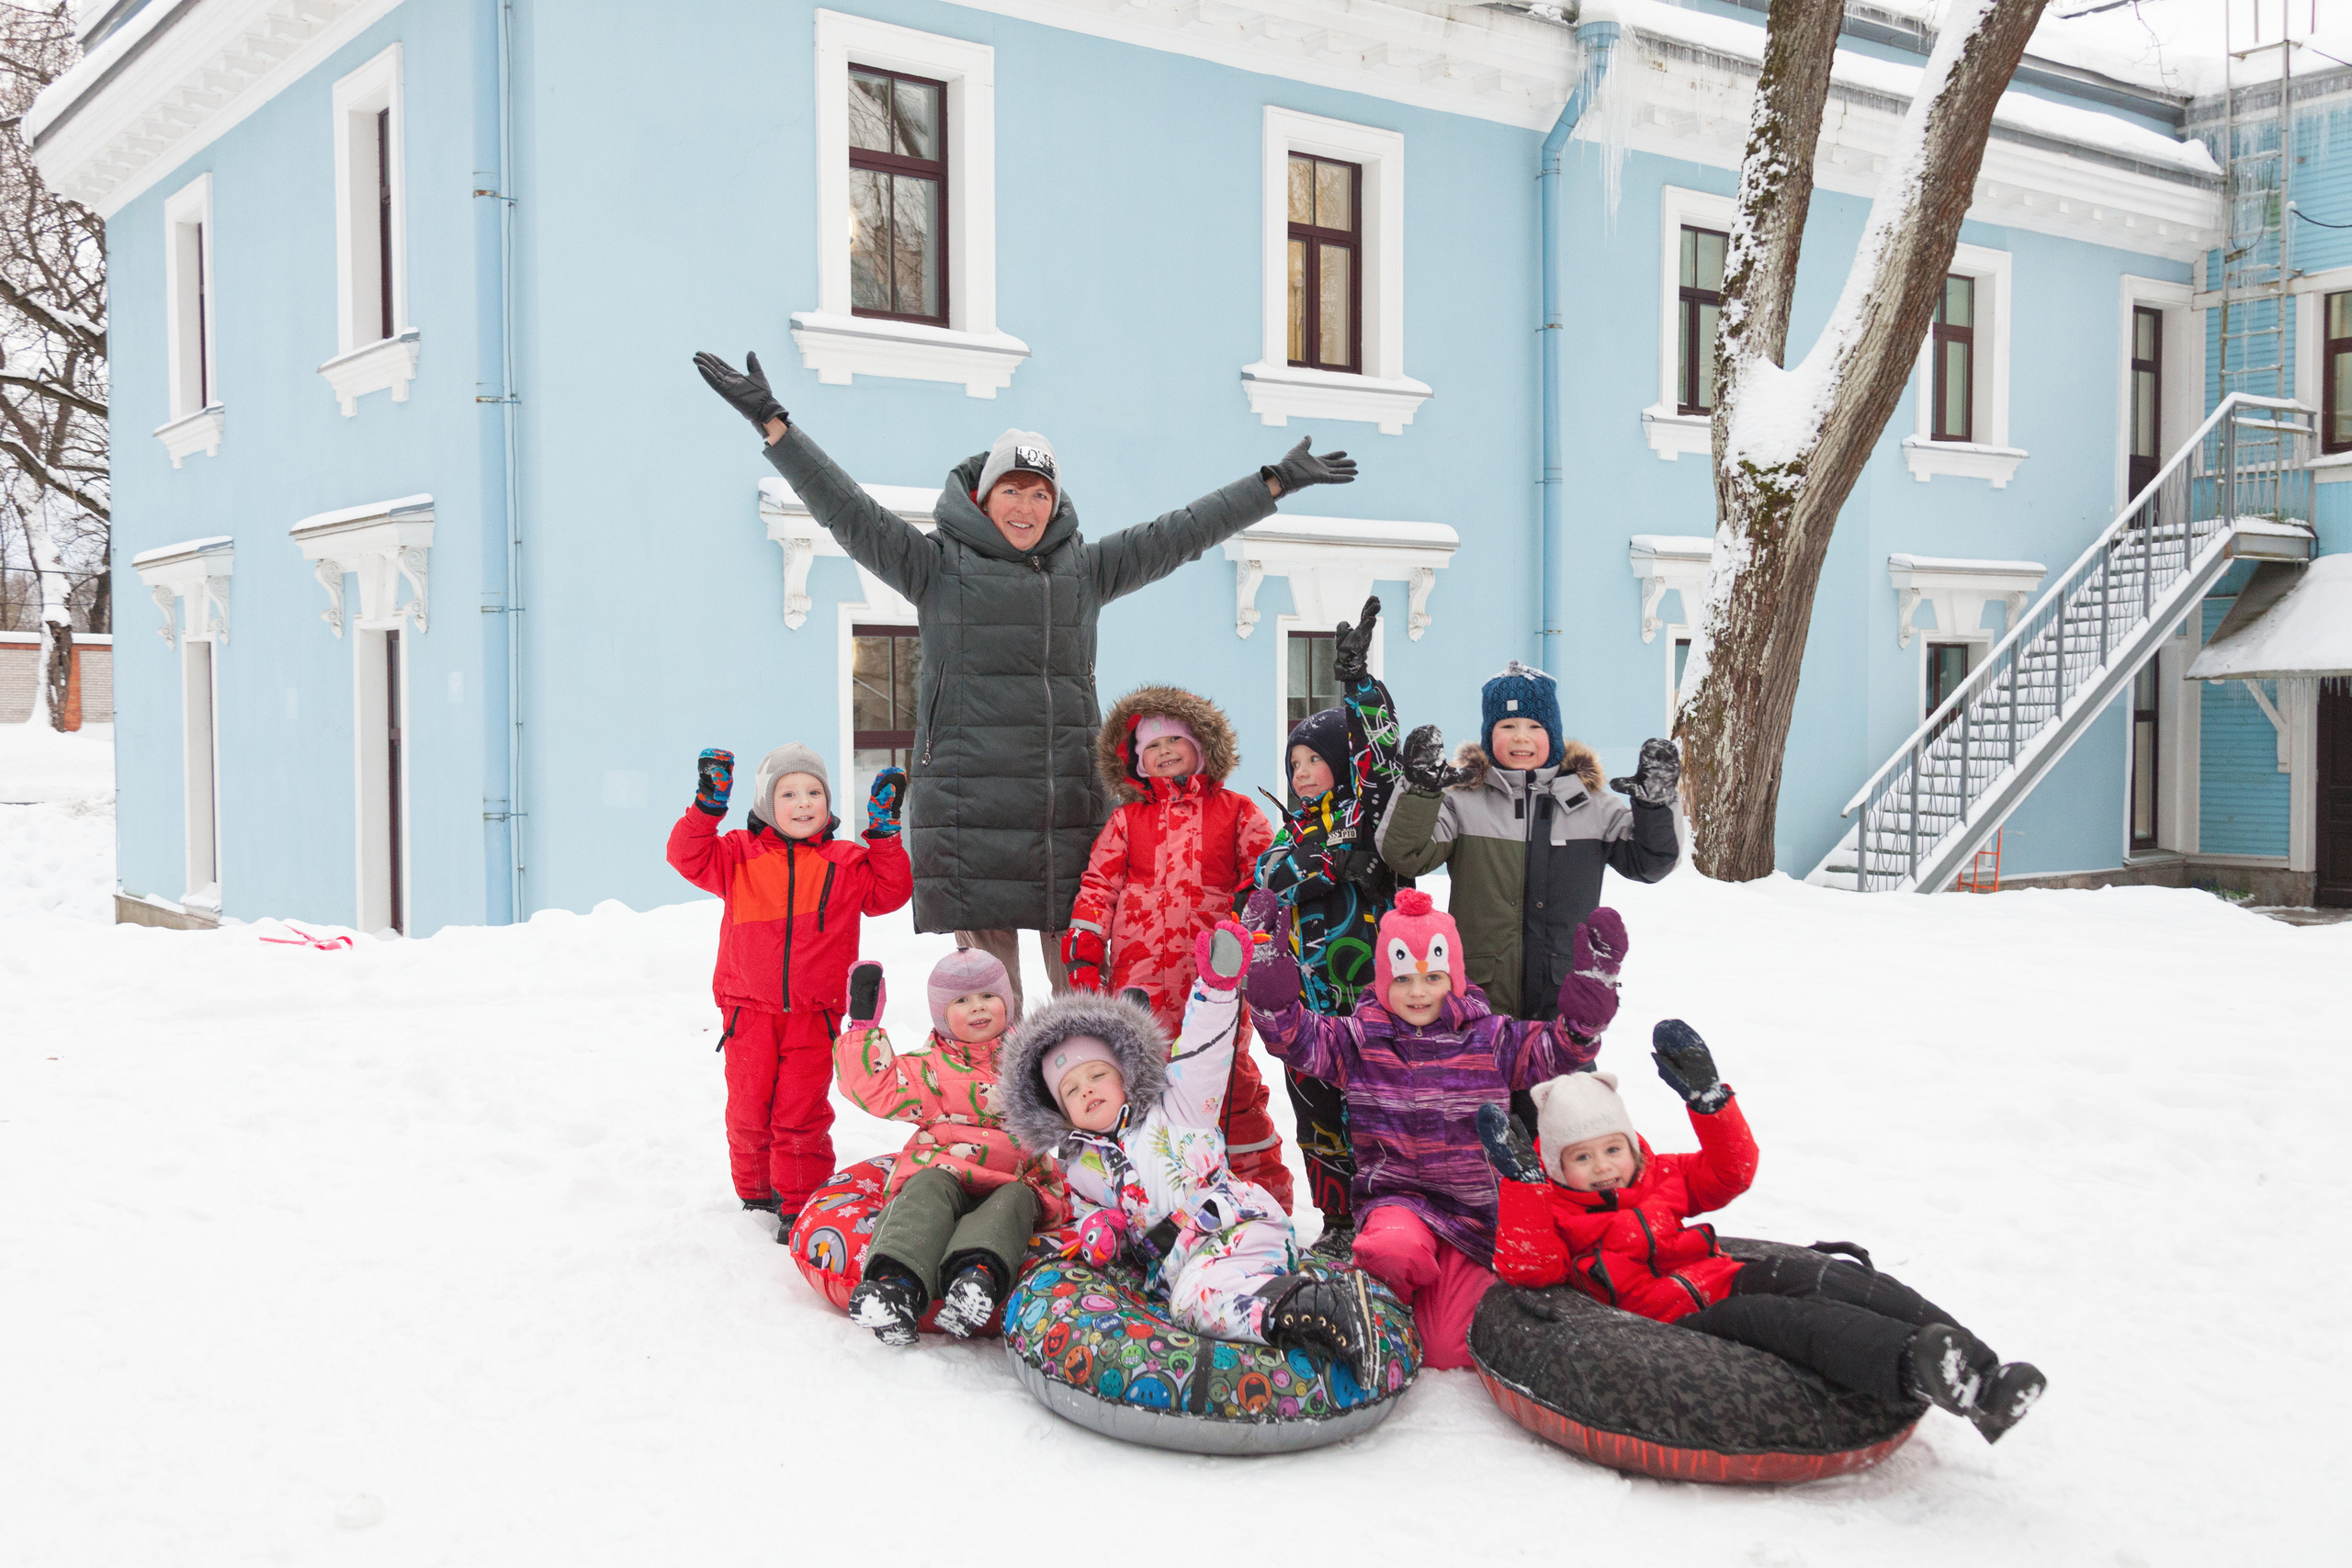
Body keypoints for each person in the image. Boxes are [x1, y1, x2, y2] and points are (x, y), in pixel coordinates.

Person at [693, 350, 1358, 1015]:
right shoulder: (934, 567)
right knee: (989, 1016)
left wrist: (1269, 483)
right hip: (968, 821)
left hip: (1063, 818)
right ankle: (994, 1122)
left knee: (1085, 1015)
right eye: (1011, 489)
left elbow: (1180, 533)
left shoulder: (1084, 573)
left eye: (1040, 493)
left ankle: (1089, 1121)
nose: (1026, 506)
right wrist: (776, 426)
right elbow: (849, 511)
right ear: (983, 496)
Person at [1480, 1021, 2047, 1444]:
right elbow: (1529, 1268)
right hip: (1683, 1317)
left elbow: (1732, 1172)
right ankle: (1920, 1366)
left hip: (1726, 1275)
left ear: (1632, 1145)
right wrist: (1523, 1186)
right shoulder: (1557, 1210)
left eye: (1612, 1148)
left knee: (1833, 1279)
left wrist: (1710, 1102)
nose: (1603, 1166)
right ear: (1556, 1164)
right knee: (1800, 1323)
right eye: (1582, 1156)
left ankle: (1983, 1373)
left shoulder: (1663, 1176)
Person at [1243, 890, 1624, 1371]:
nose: (1418, 993)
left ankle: (1446, 1297)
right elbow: (1294, 1038)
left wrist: (1587, 1012)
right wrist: (1270, 985)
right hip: (1396, 1205)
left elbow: (1557, 1050)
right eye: (1402, 979)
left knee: (1446, 1351)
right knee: (1391, 1249)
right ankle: (1381, 1307)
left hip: (1472, 1219)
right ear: (1384, 981)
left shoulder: (1492, 1039)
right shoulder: (1359, 1041)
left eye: (1433, 978)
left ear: (1455, 978)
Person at [1000, 923, 1380, 1380]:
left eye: (1097, 1076)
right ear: (1060, 1112)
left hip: (1232, 1225)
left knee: (1194, 1301)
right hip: (1188, 1259)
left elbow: (1202, 1053)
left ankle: (1315, 1308)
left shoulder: (1176, 1106)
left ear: (1125, 1075)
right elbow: (1093, 1217)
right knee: (1195, 1293)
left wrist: (1217, 990)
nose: (1087, 1091)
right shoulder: (1080, 1167)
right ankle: (1303, 1308)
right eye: (1071, 1091)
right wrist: (1102, 1230)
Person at [666, 744, 912, 1237]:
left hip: (815, 1013)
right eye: (789, 793)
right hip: (747, 1012)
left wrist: (884, 835)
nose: (804, 803)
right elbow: (685, 854)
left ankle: (799, 1205)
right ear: (764, 804)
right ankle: (756, 1196)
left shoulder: (845, 860)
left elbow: (890, 893)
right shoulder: (737, 854)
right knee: (749, 1108)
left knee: (802, 1112)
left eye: (814, 792)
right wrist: (707, 807)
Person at [1063, 684, 1289, 1211]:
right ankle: (1148, 1198)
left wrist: (1250, 919)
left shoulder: (1236, 812)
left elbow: (1264, 878)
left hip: (1214, 980)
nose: (1164, 754)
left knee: (1227, 1082)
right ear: (1137, 764)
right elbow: (1098, 887)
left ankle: (1261, 1196)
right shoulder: (1126, 821)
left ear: (1201, 747)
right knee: (1143, 1083)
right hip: (1138, 983)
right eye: (1151, 748)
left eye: (1175, 743)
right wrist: (1085, 949)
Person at [1250, 593, 1408, 1248]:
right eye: (1294, 764)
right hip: (1305, 1011)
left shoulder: (1368, 816)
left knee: (1375, 1110)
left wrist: (1361, 688)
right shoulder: (1282, 841)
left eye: (1315, 759)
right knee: (1315, 1114)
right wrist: (1325, 866)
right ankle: (1338, 1220)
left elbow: (1383, 762)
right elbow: (1264, 895)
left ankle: (1388, 1215)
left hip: (1373, 1003)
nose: (1304, 772)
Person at [831, 949, 1070, 1346]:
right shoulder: (928, 1067)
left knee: (1012, 1201)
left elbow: (1078, 1094)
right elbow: (875, 1087)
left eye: (987, 996)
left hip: (1015, 1178)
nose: (977, 1007)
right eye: (961, 1001)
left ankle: (974, 1282)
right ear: (942, 1014)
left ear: (1007, 1002)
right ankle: (895, 1285)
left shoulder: (1034, 1062)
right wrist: (862, 1029)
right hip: (944, 1171)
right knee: (924, 1188)